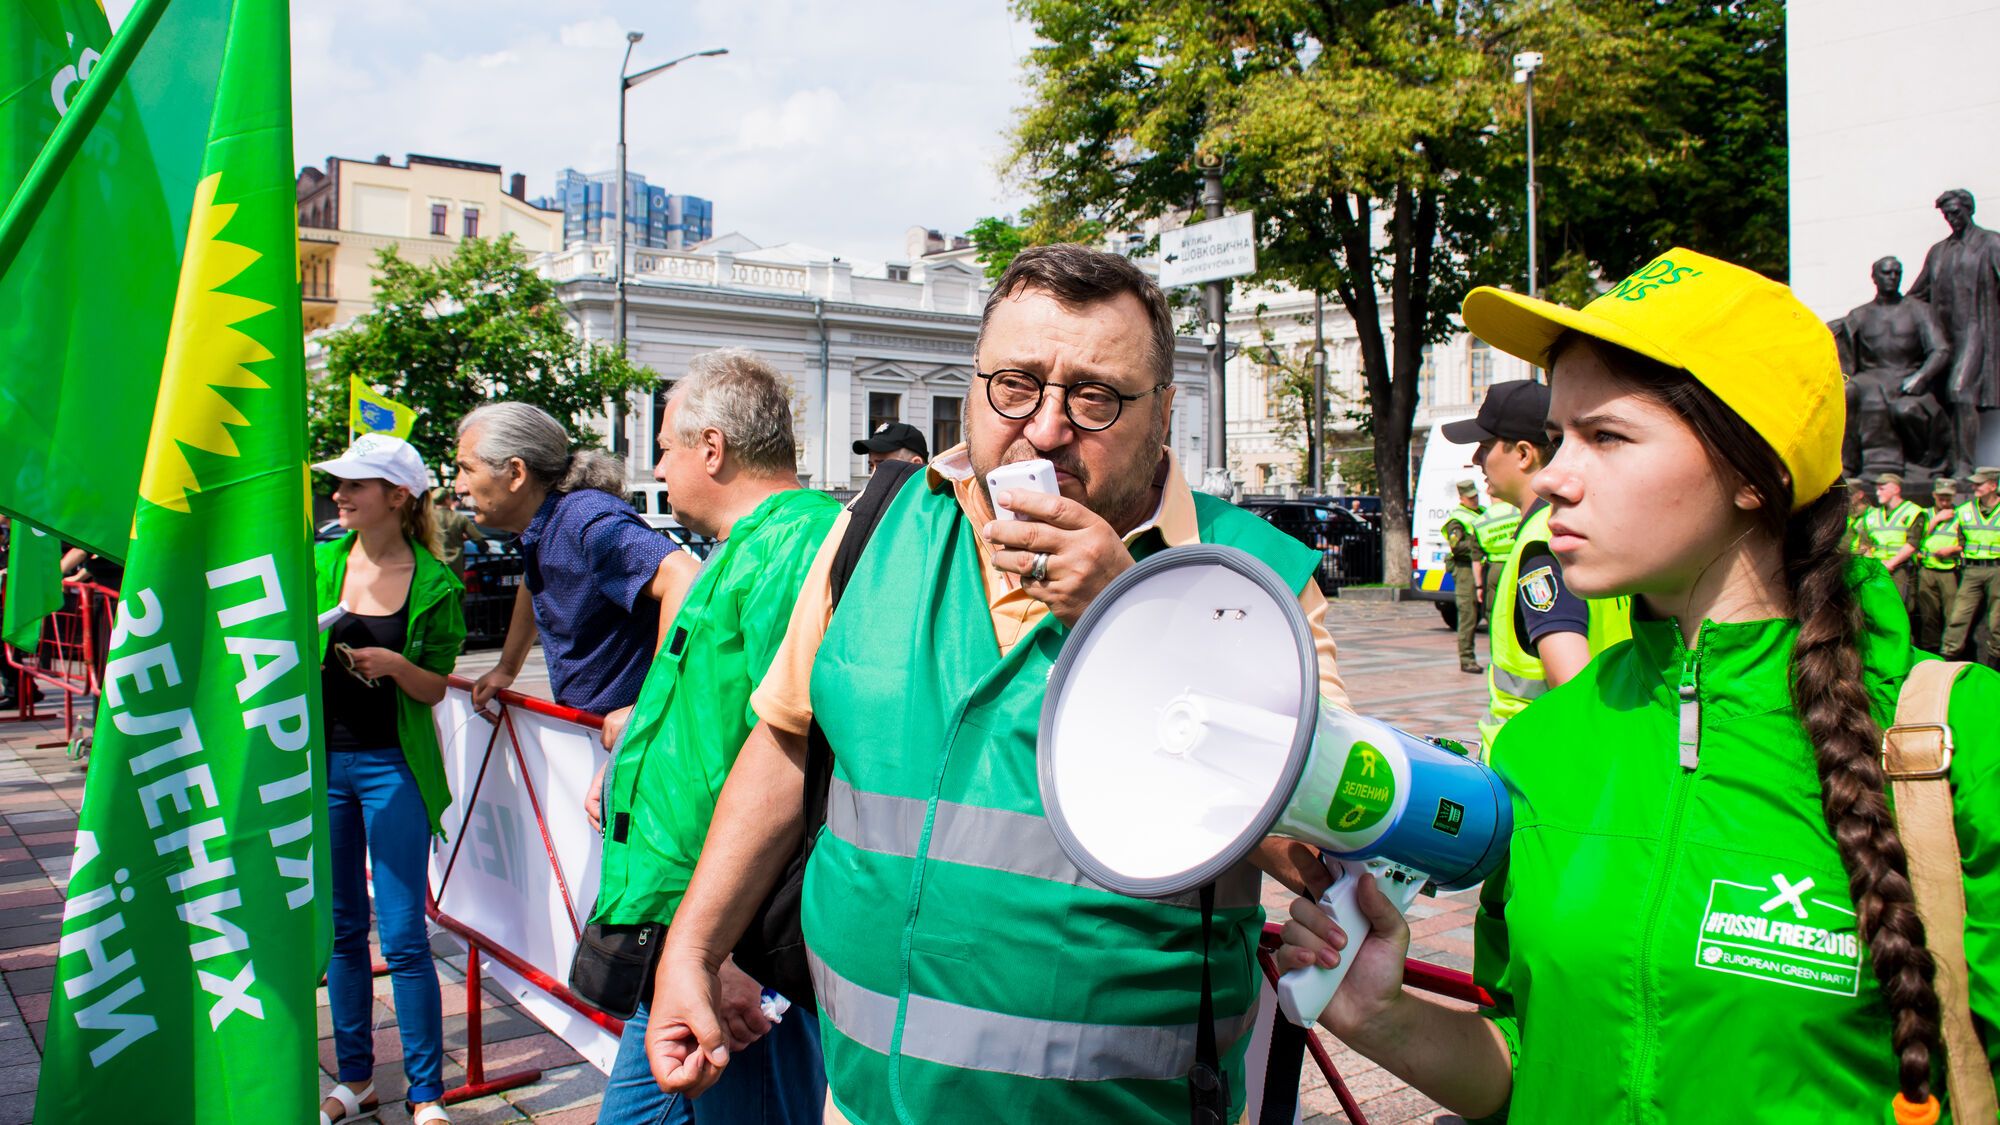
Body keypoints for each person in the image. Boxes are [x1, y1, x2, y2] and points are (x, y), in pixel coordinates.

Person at [1274, 248, 1999, 1123]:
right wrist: (1381, 1016)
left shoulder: (1958, 738)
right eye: (1558, 433)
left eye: (1606, 436)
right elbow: (1525, 1060)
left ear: (1750, 470)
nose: (1550, 476)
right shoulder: (1541, 746)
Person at [645, 244, 1351, 1124]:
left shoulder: (1256, 580)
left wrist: (1122, 612)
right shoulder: (876, 525)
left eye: (1095, 397)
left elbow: (1318, 844)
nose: (1048, 427)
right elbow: (789, 739)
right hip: (864, 1098)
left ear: (1165, 412)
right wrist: (694, 945)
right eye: (1014, 384)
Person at [588, 350, 838, 1125]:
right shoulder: (758, 542)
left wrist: (726, 950)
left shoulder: (794, 544)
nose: (657, 466)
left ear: (712, 447)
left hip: (725, 948)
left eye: (664, 445)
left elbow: (795, 752)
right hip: (692, 933)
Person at [310, 434, 467, 1125]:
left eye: (356, 485)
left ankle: (426, 1091)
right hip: (320, 767)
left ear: (398, 496)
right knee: (342, 932)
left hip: (391, 766)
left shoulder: (436, 583)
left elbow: (434, 689)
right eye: (338, 484)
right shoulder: (317, 563)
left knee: (403, 936)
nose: (339, 495)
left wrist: (395, 665)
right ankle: (355, 1079)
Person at [452, 403, 693, 713]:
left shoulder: (586, 519)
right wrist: (507, 666)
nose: (458, 486)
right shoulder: (545, 524)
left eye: (466, 469)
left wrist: (647, 706)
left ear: (515, 473)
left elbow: (684, 579)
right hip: (593, 734)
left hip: (634, 744)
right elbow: (534, 579)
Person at [1444, 379, 1629, 753]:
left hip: (1539, 771)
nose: (1477, 459)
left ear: (1524, 454)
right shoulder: (1587, 527)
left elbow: (1572, 687)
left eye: (1485, 446)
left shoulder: (1544, 543)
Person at [1909, 189, 2000, 475]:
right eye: (1947, 214)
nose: (1952, 218)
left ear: (1969, 210)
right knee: (1943, 398)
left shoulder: (1991, 243)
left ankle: (1964, 465)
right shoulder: (1939, 251)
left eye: (1956, 212)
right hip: (1944, 337)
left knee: (1960, 392)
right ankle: (1947, 460)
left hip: (1978, 331)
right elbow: (1917, 295)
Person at [1942, 465, 2000, 667]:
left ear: (1993, 485)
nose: (1974, 486)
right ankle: (1948, 662)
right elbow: (1958, 540)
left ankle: (1994, 668)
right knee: (1958, 617)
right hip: (1972, 569)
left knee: (1996, 623)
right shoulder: (1965, 510)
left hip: (1997, 570)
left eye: (1980, 483)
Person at [1439, 479, 1488, 673]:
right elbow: (1457, 546)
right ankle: (1467, 658)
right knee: (1468, 614)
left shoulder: (1483, 512)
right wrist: (1480, 545)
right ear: (1461, 498)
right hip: (1466, 569)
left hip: (1484, 567)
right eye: (1470, 497)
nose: (1474, 500)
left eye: (1476, 496)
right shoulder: (1456, 520)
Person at [1912, 477, 1963, 653]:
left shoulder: (1960, 515)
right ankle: (1930, 648)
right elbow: (1913, 539)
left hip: (1949, 569)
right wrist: (1935, 522)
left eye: (1948, 498)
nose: (1945, 501)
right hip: (1927, 568)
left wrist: (1952, 549)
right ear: (1934, 495)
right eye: (1941, 497)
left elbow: (1967, 542)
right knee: (1928, 613)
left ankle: (1950, 651)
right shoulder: (1925, 514)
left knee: (1952, 613)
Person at [1862, 472, 1924, 608]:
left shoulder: (1912, 512)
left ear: (1896, 489)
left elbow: (1913, 543)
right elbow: (1865, 543)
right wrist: (1871, 562)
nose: (1877, 493)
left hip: (1899, 569)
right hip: (1876, 568)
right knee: (1875, 607)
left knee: (1897, 607)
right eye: (1877, 489)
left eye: (1882, 489)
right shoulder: (1872, 514)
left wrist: (1890, 564)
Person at [432, 486, 485, 576]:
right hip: (455, 564)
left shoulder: (427, 519)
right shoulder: (459, 518)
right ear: (447, 500)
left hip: (433, 562)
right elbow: (477, 537)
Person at [852, 420, 929, 471]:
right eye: (871, 466)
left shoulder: (938, 495)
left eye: (882, 466)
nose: (872, 476)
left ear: (916, 465)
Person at [1846, 475, 1874, 553]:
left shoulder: (1871, 515)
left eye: (1849, 494)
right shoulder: (1846, 516)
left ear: (1860, 495)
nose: (1846, 497)